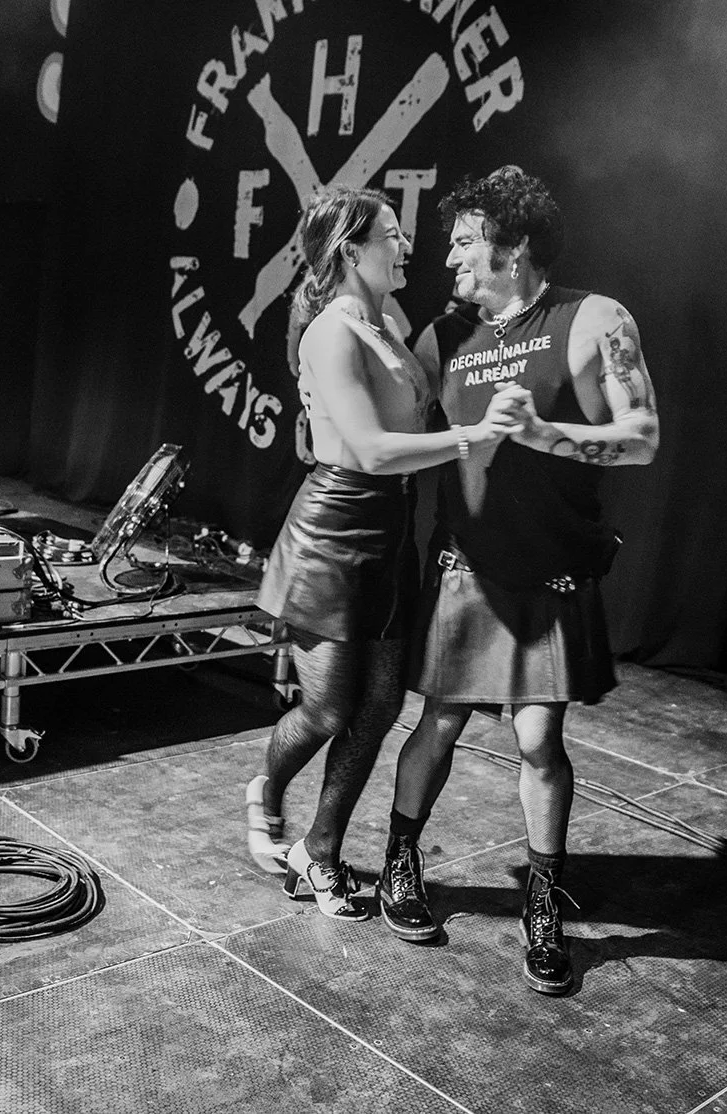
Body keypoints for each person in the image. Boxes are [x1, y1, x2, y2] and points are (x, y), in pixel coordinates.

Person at [379, 167, 659, 993]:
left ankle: (543, 899)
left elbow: (640, 437)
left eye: (465, 242)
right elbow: (384, 423)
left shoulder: (591, 318)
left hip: (555, 571)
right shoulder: (442, 336)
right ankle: (399, 860)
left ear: (515, 244)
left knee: (538, 739)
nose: (452, 261)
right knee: (439, 721)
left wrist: (537, 432)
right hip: (466, 566)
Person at [247, 185, 517, 921]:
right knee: (330, 707)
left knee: (381, 703)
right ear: (350, 250)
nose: (406, 247)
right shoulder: (331, 332)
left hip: (391, 531)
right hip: (333, 531)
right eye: (391, 235)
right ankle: (265, 790)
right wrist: (473, 437)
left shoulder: (392, 317)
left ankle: (319, 852)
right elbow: (368, 448)